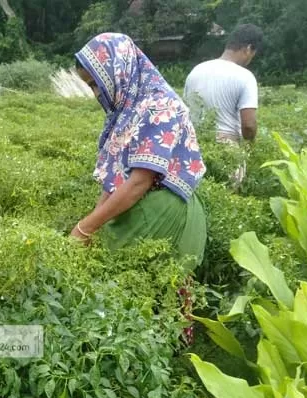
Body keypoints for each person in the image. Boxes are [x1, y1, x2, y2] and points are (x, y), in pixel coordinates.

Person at [70, 33, 208, 345]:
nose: (95, 93)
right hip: (146, 207)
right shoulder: (128, 109)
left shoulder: (159, 104)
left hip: (169, 211)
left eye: (95, 83)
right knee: (137, 294)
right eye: (90, 85)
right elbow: (114, 181)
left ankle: (172, 367)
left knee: (165, 295)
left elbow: (139, 182)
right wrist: (90, 225)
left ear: (116, 71)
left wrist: (84, 229)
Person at [184, 24, 264, 184]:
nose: (250, 59)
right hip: (228, 150)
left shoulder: (196, 71)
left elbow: (186, 110)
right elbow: (248, 124)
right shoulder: (245, 77)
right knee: (229, 200)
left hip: (194, 146)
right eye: (252, 54)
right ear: (248, 48)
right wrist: (250, 146)